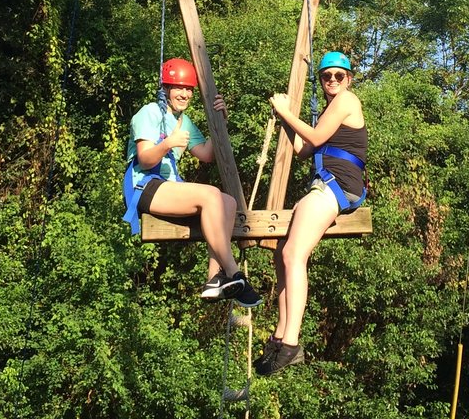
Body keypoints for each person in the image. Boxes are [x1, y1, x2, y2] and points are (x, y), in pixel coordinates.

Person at [258, 50, 367, 375]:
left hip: (338, 185)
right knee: (282, 254)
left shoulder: (347, 101)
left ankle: (291, 343)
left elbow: (317, 137)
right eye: (326, 76)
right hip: (327, 185)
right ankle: (281, 335)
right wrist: (285, 122)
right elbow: (306, 149)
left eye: (338, 75)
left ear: (348, 79)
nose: (332, 81)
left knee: (294, 254)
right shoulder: (330, 111)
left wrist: (285, 111)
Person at [124, 56, 261, 308]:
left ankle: (213, 278)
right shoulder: (150, 112)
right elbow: (144, 159)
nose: (185, 94)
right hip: (144, 185)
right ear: (166, 88)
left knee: (227, 201)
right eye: (179, 88)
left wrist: (220, 120)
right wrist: (167, 144)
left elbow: (208, 153)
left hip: (169, 187)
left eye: (189, 89)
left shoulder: (183, 121)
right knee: (210, 194)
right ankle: (235, 272)